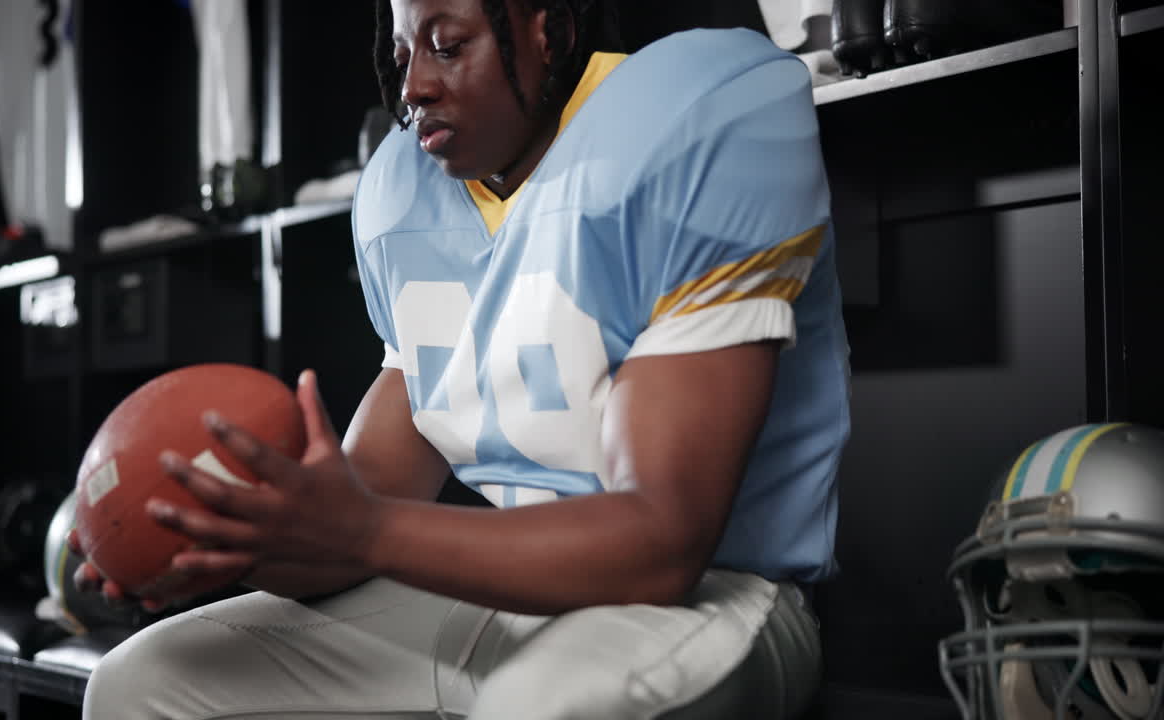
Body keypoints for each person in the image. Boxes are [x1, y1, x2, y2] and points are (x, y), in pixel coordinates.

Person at [73, 0, 852, 717]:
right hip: (500, 592)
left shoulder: (688, 119)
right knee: (141, 684)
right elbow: (354, 518)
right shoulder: (407, 192)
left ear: (547, 29)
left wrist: (365, 530)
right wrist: (225, 541)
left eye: (447, 46)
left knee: (538, 707)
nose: (413, 85)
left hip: (711, 598)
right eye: (403, 53)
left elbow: (663, 544)